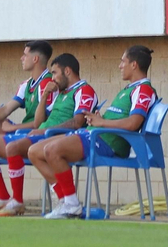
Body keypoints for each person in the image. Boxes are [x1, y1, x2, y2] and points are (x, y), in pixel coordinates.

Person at [29, 45, 157, 220]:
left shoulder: (143, 90)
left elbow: (133, 123)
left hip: (107, 142)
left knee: (52, 150)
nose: (120, 66)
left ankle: (71, 204)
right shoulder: (128, 89)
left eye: (123, 61)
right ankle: (66, 201)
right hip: (93, 134)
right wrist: (98, 119)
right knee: (34, 151)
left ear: (134, 65)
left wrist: (102, 122)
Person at [0, 40, 57, 216]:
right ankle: (2, 197)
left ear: (35, 59)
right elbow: (6, 109)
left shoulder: (47, 84)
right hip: (21, 132)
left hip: (36, 135)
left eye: (25, 55)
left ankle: (16, 201)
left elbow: (42, 123)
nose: (21, 58)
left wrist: (15, 127)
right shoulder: (26, 85)